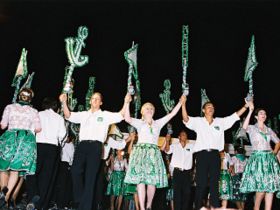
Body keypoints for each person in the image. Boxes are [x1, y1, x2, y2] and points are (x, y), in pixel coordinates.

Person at [59, 92, 130, 210]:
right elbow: (68, 115)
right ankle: (80, 198)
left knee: (90, 177)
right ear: (90, 101)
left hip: (96, 146)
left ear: (101, 102)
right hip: (82, 145)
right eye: (93, 99)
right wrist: (64, 102)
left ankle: (85, 207)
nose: (95, 100)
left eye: (98, 99)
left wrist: (126, 102)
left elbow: (121, 115)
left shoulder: (105, 115)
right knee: (75, 171)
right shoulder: (84, 114)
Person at [182, 97, 248, 210]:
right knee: (201, 182)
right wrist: (183, 104)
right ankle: (198, 206)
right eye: (208, 107)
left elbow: (235, 116)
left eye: (212, 107)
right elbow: (186, 119)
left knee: (214, 182)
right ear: (203, 110)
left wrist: (246, 106)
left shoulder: (220, 122)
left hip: (215, 155)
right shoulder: (198, 121)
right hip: (202, 155)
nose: (211, 108)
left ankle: (214, 206)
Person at [124, 94, 186, 210]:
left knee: (152, 181)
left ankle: (149, 205)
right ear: (142, 112)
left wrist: (180, 102)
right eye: (147, 108)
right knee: (141, 180)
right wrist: (127, 102)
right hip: (141, 153)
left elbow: (172, 114)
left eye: (152, 108)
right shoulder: (139, 123)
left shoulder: (158, 123)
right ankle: (142, 207)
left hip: (153, 153)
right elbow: (127, 118)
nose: (150, 109)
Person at [0, 88, 41, 208]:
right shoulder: (33, 111)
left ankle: (3, 190)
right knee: (16, 170)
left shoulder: (9, 107)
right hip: (25, 140)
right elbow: (38, 128)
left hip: (10, 137)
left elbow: (3, 125)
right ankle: (6, 199)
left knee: (3, 167)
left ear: (19, 96)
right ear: (30, 98)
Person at [26, 97, 66, 210]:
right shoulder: (59, 118)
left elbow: (31, 130)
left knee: (31, 172)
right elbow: (62, 135)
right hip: (52, 148)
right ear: (56, 107)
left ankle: (33, 196)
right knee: (47, 177)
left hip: (38, 145)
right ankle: (41, 205)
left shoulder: (38, 114)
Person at [240, 101, 280, 210]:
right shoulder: (252, 128)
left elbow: (278, 142)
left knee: (270, 188)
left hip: (269, 159)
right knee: (261, 189)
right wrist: (250, 111)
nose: (264, 115)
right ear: (257, 117)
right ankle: (256, 207)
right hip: (258, 159)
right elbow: (244, 127)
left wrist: (275, 152)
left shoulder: (269, 130)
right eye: (261, 113)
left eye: (265, 114)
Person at [164, 130, 194, 210]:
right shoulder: (175, 145)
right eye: (182, 134)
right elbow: (167, 150)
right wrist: (167, 141)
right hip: (177, 172)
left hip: (187, 173)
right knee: (177, 194)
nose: (184, 135)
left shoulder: (191, 146)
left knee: (187, 193)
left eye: (185, 134)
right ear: (179, 137)